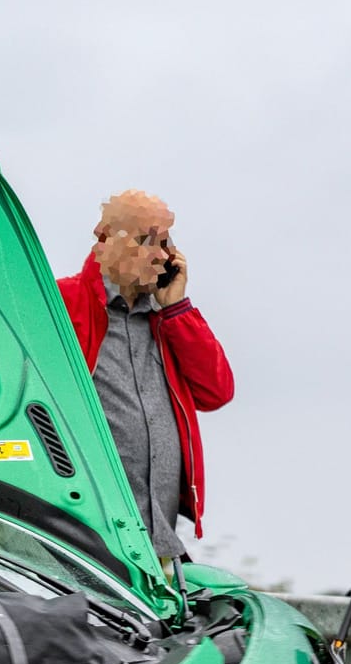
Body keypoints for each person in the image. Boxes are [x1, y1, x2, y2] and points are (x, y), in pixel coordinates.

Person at [55, 190, 234, 567]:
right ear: (105, 238)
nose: (158, 254)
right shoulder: (60, 302)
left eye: (164, 241)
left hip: (158, 545)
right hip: (85, 538)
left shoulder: (169, 319)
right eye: (143, 240)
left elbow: (216, 392)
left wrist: (178, 309)